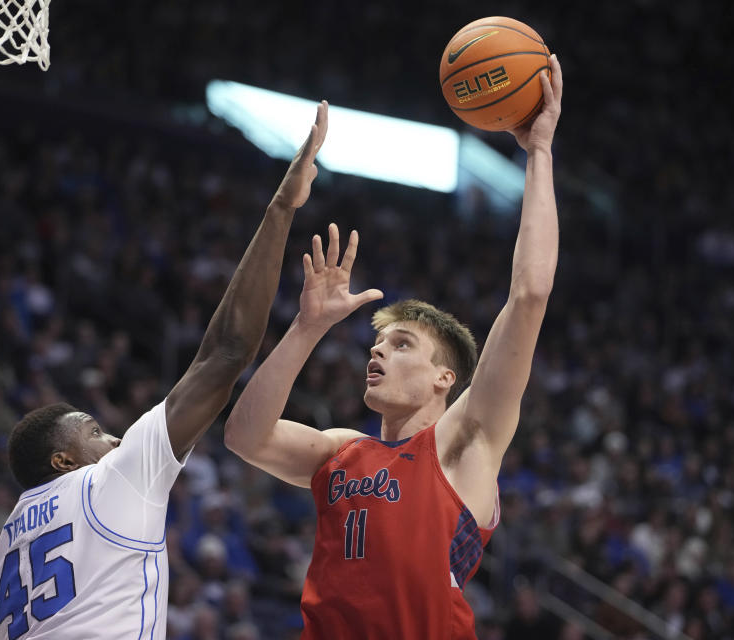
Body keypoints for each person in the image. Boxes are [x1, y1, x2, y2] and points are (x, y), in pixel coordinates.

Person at [0, 101, 330, 639]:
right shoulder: (109, 480)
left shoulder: (6, 547)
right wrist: (281, 208)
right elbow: (226, 351)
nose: (111, 439)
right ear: (62, 460)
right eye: (93, 432)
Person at [225, 56, 562, 639]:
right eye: (377, 343)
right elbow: (244, 436)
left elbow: (529, 294)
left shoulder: (464, 444)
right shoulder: (340, 451)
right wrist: (306, 327)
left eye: (401, 344)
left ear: (444, 379)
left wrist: (538, 153)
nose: (377, 354)